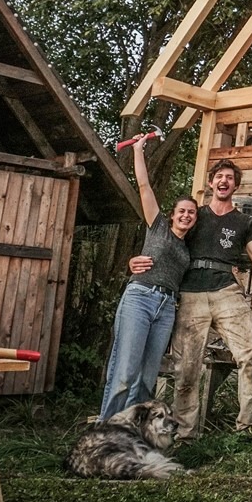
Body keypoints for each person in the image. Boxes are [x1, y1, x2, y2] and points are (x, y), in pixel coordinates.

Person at [133, 159, 252, 438]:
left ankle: (246, 427)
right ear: (211, 182)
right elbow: (165, 242)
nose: (224, 181)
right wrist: (135, 262)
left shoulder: (245, 221)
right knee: (187, 367)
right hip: (191, 293)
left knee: (251, 352)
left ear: (236, 185)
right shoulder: (195, 215)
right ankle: (185, 433)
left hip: (227, 291)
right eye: (219, 176)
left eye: (230, 177)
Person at [99, 138, 195, 420]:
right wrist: (138, 150)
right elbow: (144, 186)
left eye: (192, 212)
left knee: (147, 377)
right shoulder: (158, 227)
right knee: (125, 372)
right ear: (172, 214)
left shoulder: (188, 247)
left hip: (166, 308)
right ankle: (105, 432)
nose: (186, 215)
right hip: (140, 298)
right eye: (182, 211)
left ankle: (131, 433)